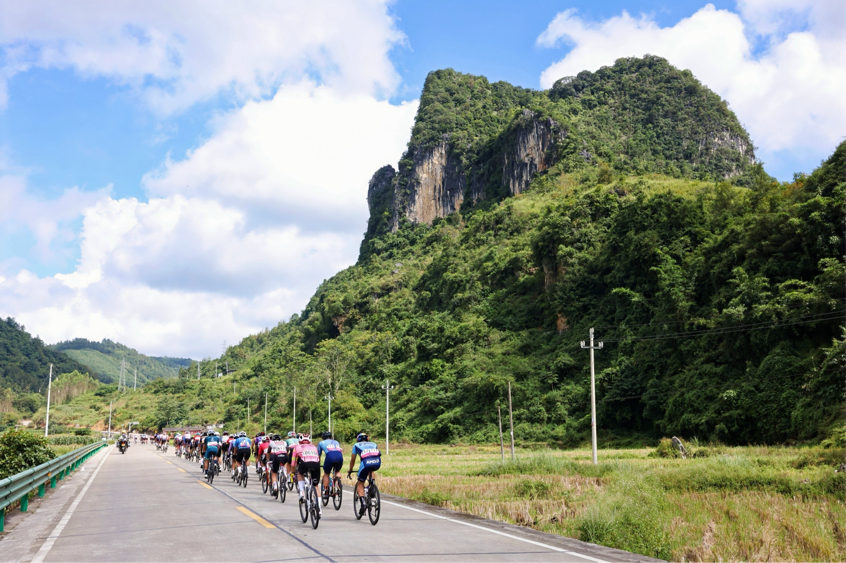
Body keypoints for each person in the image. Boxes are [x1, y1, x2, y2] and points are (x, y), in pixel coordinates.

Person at [347, 432, 381, 517]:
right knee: (371, 470)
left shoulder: (356, 445)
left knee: (360, 483)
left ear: (358, 439)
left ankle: (363, 504)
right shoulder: (374, 444)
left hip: (365, 463)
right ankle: (372, 486)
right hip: (377, 462)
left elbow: (353, 459)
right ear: (367, 438)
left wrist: (350, 470)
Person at [290, 434, 320, 513]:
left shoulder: (296, 447)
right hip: (316, 464)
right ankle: (319, 509)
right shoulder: (314, 447)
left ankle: (302, 492)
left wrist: (293, 473)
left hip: (304, 463)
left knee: (300, 473)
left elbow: (293, 463)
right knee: (316, 486)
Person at [317, 430, 343, 499]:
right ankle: (338, 485)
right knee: (337, 471)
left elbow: (318, 456)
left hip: (330, 456)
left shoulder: (321, 443)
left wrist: (317, 464)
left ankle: (326, 492)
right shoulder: (336, 442)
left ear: (323, 437)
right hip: (340, 456)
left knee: (326, 473)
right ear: (330, 437)